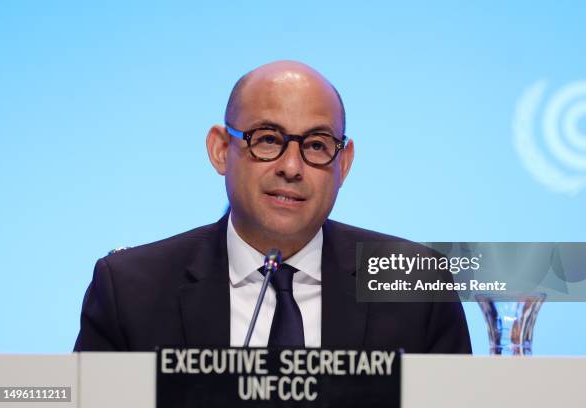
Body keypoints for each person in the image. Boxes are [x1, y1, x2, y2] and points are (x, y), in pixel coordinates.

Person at [74, 60, 471, 352]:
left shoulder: (415, 284)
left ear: (343, 163)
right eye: (267, 139)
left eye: (316, 145)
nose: (291, 167)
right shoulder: (130, 289)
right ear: (219, 149)